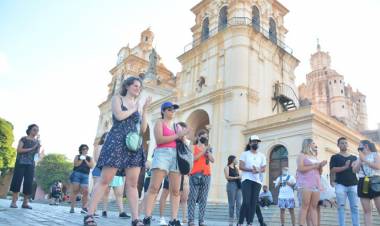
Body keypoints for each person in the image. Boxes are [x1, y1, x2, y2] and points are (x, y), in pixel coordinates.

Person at [84, 76, 151, 226]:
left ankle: (135, 219)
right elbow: (119, 116)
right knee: (105, 180)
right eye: (135, 86)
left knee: (132, 184)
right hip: (117, 141)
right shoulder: (117, 99)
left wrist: (144, 110)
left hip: (133, 145)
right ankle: (89, 214)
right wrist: (135, 108)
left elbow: (143, 129)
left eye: (139, 87)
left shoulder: (137, 106)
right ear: (127, 86)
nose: (138, 89)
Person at [143, 102, 189, 226]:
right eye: (169, 109)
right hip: (162, 154)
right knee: (154, 187)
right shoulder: (159, 122)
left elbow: (183, 141)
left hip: (176, 156)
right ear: (163, 111)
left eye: (173, 109)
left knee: (175, 190)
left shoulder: (176, 126)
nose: (172, 111)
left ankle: (173, 219)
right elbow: (159, 140)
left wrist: (183, 135)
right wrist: (177, 135)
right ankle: (147, 216)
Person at [92, 132, 130, 219]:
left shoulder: (116, 147)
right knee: (105, 192)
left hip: (116, 171)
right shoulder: (100, 147)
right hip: (103, 170)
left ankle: (121, 212)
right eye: (107, 137)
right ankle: (103, 210)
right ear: (104, 138)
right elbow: (97, 159)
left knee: (119, 193)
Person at [238, 135, 267, 226]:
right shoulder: (245, 154)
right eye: (254, 141)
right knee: (246, 201)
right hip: (247, 179)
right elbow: (241, 166)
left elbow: (264, 168)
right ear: (250, 143)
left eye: (257, 142)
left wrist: (258, 170)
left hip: (257, 181)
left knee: (254, 202)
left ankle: (249, 222)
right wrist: (251, 170)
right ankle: (240, 222)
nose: (256, 143)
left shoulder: (261, 155)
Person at [296, 138, 327, 226]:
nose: (315, 145)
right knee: (305, 206)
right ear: (308, 144)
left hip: (316, 183)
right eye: (313, 143)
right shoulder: (302, 155)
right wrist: (315, 166)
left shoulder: (315, 157)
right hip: (305, 183)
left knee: (314, 207)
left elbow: (320, 172)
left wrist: (320, 166)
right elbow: (300, 168)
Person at [329, 137, 359, 226]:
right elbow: (333, 169)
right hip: (340, 185)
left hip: (353, 184)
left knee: (355, 207)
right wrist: (345, 167)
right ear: (338, 145)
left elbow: (357, 170)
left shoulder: (354, 157)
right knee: (341, 207)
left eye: (345, 143)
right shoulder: (335, 157)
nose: (344, 144)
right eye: (342, 143)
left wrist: (356, 166)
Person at [10, 124, 41, 209]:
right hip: (20, 162)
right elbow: (19, 150)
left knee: (28, 182)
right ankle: (13, 202)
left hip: (31, 164)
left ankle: (25, 203)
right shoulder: (23, 139)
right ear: (30, 130)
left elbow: (37, 155)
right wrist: (32, 148)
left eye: (37, 130)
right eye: (34, 130)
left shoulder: (37, 142)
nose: (36, 132)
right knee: (17, 180)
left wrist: (38, 147)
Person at [187, 129, 214, 226]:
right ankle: (191, 220)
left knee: (203, 199)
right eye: (203, 136)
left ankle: (201, 220)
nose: (205, 138)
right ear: (198, 137)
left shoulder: (207, 148)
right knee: (193, 198)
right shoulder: (192, 147)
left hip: (207, 175)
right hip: (195, 174)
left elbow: (212, 160)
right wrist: (204, 151)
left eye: (206, 137)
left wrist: (208, 152)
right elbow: (193, 158)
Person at [352, 140, 380, 226]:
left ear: (366, 146)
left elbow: (378, 166)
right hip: (363, 181)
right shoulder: (358, 157)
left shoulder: (375, 155)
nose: (359, 149)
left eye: (360, 147)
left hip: (375, 180)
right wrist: (360, 161)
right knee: (367, 211)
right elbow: (354, 170)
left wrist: (365, 160)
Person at [69, 144, 95, 214]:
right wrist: (81, 158)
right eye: (83, 149)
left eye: (86, 149)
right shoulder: (77, 156)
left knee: (85, 192)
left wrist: (85, 159)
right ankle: (72, 208)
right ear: (81, 150)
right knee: (75, 191)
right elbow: (76, 165)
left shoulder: (90, 158)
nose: (85, 150)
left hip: (85, 175)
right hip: (77, 174)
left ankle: (84, 208)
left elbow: (91, 166)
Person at [224, 155, 242, 226]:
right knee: (231, 204)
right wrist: (237, 177)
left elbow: (238, 177)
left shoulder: (236, 168)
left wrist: (240, 177)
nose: (237, 161)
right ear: (232, 160)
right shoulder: (227, 167)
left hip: (238, 186)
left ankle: (239, 220)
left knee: (239, 204)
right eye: (236, 159)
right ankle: (231, 220)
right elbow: (227, 177)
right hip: (231, 185)